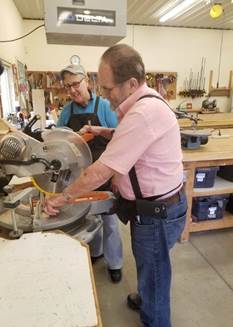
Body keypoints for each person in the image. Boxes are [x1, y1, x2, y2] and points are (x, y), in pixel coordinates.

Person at [44, 44, 187, 327]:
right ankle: (147, 295)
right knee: (151, 268)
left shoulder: (142, 114)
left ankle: (154, 316)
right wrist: (102, 131)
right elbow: (130, 137)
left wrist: (61, 199)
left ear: (131, 83)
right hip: (152, 208)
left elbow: (99, 172)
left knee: (156, 275)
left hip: (156, 213)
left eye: (109, 89)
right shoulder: (142, 103)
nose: (105, 96)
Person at [56, 63, 123, 283]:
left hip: (104, 174)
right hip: (80, 178)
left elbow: (118, 138)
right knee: (89, 217)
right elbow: (58, 145)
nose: (73, 90)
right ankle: (96, 253)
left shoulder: (104, 106)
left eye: (76, 83)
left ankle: (115, 263)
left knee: (111, 222)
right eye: (68, 87)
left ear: (86, 80)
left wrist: (116, 175)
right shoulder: (67, 112)